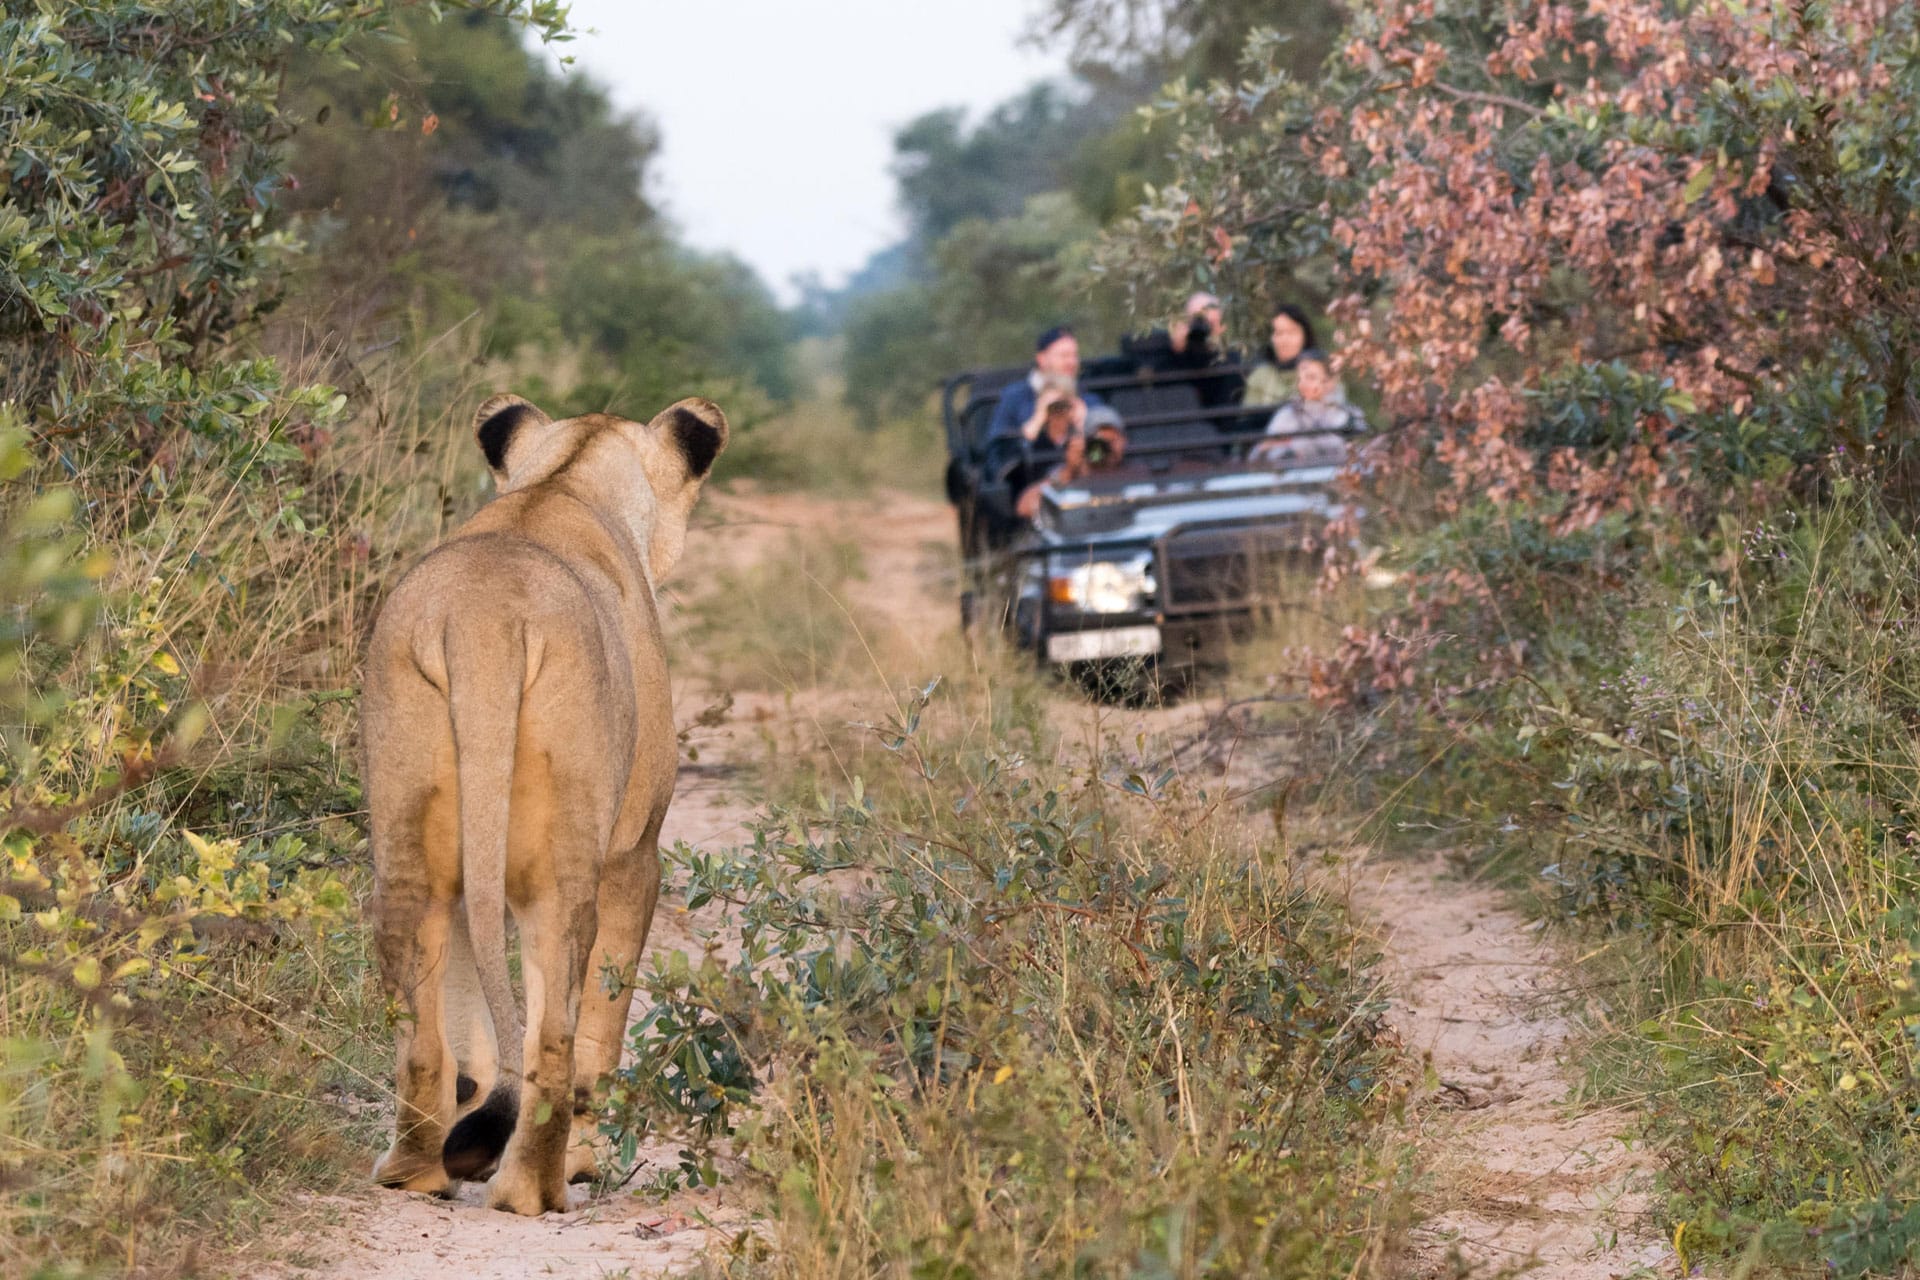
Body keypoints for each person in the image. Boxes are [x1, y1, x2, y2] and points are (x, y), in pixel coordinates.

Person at [988, 326, 1106, 443]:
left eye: (1074, 355)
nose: (1071, 362)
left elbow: (1103, 456)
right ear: (1041, 359)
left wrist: (1086, 424)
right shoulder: (1014, 398)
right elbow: (997, 455)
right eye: (1064, 355)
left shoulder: (1089, 399)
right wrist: (1037, 421)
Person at [1015, 403, 1128, 519]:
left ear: (1125, 441)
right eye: (1099, 443)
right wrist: (1069, 472)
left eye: (1112, 440)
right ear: (1086, 444)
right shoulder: (1069, 475)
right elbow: (1024, 508)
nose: (1106, 447)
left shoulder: (1136, 474)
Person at [1249, 351, 1357, 467]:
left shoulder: (1350, 416)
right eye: (1300, 378)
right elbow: (1257, 456)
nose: (1303, 383)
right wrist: (1282, 449)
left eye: (1311, 377)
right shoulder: (1287, 415)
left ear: (1331, 381)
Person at [1243, 304, 1348, 407]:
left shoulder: (1323, 371)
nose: (1285, 340)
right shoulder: (1260, 375)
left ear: (1305, 336)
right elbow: (1248, 419)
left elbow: (1335, 412)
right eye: (1279, 333)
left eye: (1291, 332)